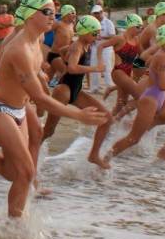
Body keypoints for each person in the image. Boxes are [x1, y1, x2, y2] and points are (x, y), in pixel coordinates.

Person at [0, 0, 108, 218]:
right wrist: (78, 115)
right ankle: (15, 224)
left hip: (21, 108)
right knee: (23, 173)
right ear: (31, 15)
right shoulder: (19, 48)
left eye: (54, 12)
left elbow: (37, 76)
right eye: (47, 12)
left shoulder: (38, 41)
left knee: (15, 170)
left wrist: (41, 78)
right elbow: (40, 98)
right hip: (1, 109)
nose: (54, 16)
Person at [104, 25, 165, 169]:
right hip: (150, 101)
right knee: (133, 139)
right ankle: (105, 159)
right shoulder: (162, 57)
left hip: (159, 101)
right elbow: (162, 85)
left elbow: (146, 64)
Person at [43, 15, 114, 168]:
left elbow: (62, 50)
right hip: (64, 90)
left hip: (76, 91)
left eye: (98, 33)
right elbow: (72, 68)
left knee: (107, 118)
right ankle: (25, 153)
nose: (97, 36)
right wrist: (95, 69)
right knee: (48, 131)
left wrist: (65, 59)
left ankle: (94, 155)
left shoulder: (81, 44)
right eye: (95, 33)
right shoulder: (78, 46)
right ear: (85, 32)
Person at [46, 5, 76, 85]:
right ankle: (59, 89)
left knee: (46, 79)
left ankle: (37, 93)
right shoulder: (58, 24)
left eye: (75, 13)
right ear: (66, 14)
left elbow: (69, 39)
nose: (75, 15)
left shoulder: (72, 25)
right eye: (72, 13)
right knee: (66, 71)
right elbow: (44, 30)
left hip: (65, 56)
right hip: (55, 55)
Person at [89, 5, 116, 93]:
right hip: (95, 47)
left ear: (102, 12)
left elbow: (113, 36)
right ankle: (94, 87)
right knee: (94, 66)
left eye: (97, 13)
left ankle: (110, 86)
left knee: (107, 67)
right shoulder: (92, 22)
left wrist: (102, 37)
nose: (96, 15)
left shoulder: (108, 23)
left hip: (106, 49)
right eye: (94, 13)